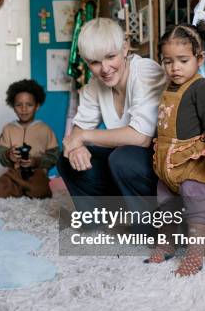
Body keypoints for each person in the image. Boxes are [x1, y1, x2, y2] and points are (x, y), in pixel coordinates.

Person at [58, 18, 166, 214]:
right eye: (95, 62)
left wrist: (82, 137)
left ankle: (150, 221)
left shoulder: (145, 72)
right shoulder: (95, 84)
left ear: (124, 49)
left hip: (160, 163)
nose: (105, 69)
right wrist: (76, 147)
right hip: (126, 163)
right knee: (67, 159)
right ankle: (100, 216)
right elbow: (77, 131)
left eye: (110, 57)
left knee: (122, 157)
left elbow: (141, 137)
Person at [150, 21, 205, 276]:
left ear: (199, 58)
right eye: (168, 61)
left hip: (191, 162)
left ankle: (195, 254)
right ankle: (167, 243)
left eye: (182, 60)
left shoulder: (201, 87)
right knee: (165, 204)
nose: (174, 67)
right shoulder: (168, 87)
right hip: (166, 164)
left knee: (195, 204)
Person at [0, 79, 59, 200]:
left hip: (37, 173)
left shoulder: (45, 130)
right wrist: (9, 155)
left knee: (41, 191)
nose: (24, 109)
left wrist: (36, 161)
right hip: (15, 174)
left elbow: (54, 157)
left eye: (29, 105)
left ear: (37, 106)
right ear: (13, 106)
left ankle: (21, 189)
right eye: (19, 105)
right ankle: (19, 187)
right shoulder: (8, 129)